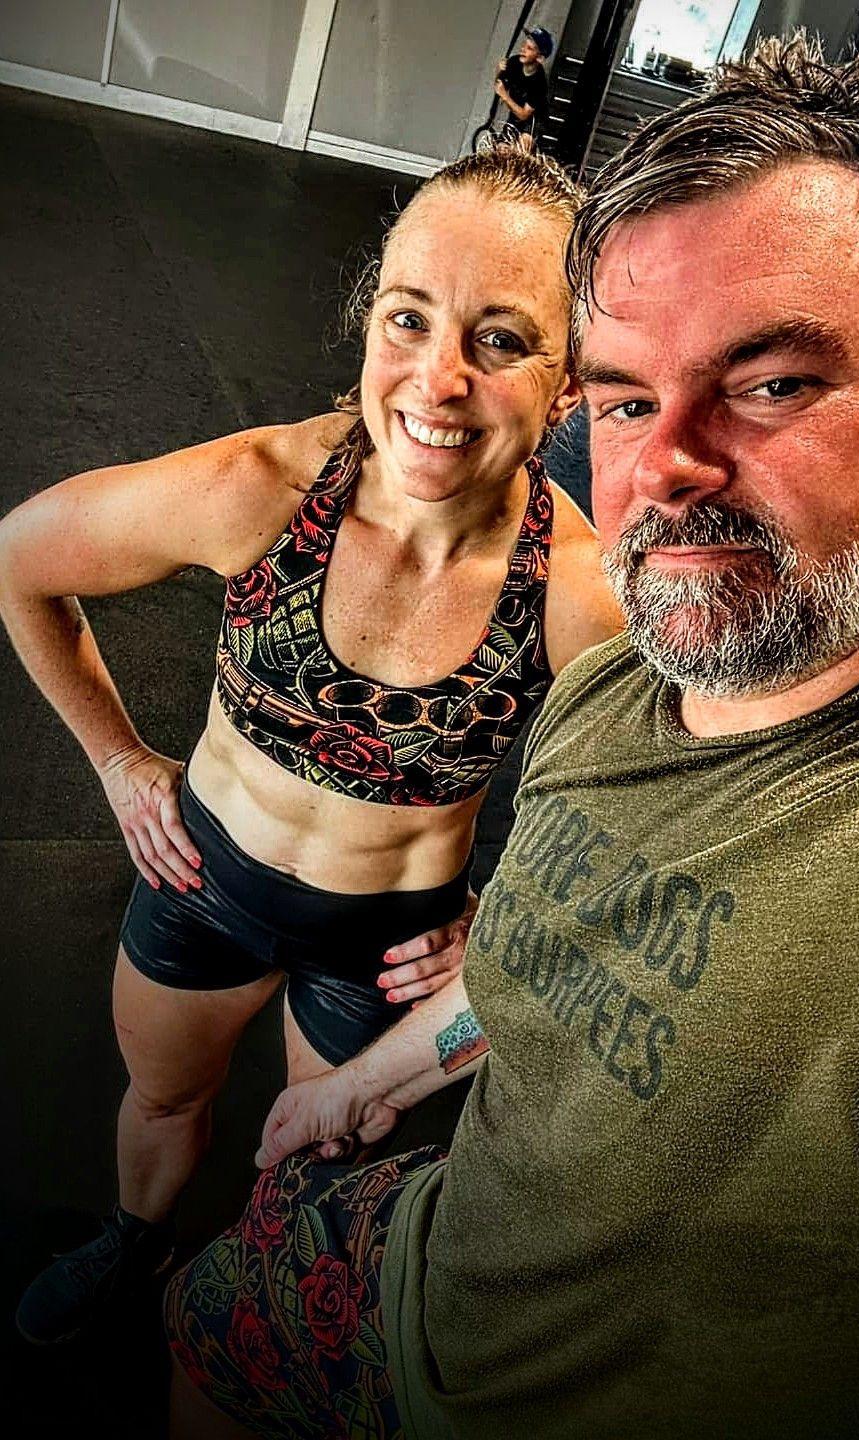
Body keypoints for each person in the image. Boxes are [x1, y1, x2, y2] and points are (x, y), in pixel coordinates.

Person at [164, 31, 859, 1440]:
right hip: (418, 1268)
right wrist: (367, 1086)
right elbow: (543, 955)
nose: (668, 464)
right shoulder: (609, 691)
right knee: (203, 1316)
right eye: (629, 397)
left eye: (773, 383)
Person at [0, 143, 621, 1347]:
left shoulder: (584, 593)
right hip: (202, 885)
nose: (436, 381)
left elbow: (663, 819)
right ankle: (134, 1252)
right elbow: (20, 562)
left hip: (388, 948)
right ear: (369, 321)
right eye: (408, 319)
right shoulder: (266, 490)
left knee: (309, 1178)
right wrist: (122, 760)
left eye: (501, 339)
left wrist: (508, 918)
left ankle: (251, 1321)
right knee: (165, 1100)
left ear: (572, 384)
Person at [494, 26, 553, 149]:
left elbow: (524, 115)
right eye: (524, 45)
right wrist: (499, 72)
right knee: (501, 150)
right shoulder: (514, 62)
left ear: (540, 58)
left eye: (529, 48)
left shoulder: (539, 83)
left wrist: (505, 96)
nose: (523, 49)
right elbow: (499, 86)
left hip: (532, 120)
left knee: (521, 149)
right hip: (515, 115)